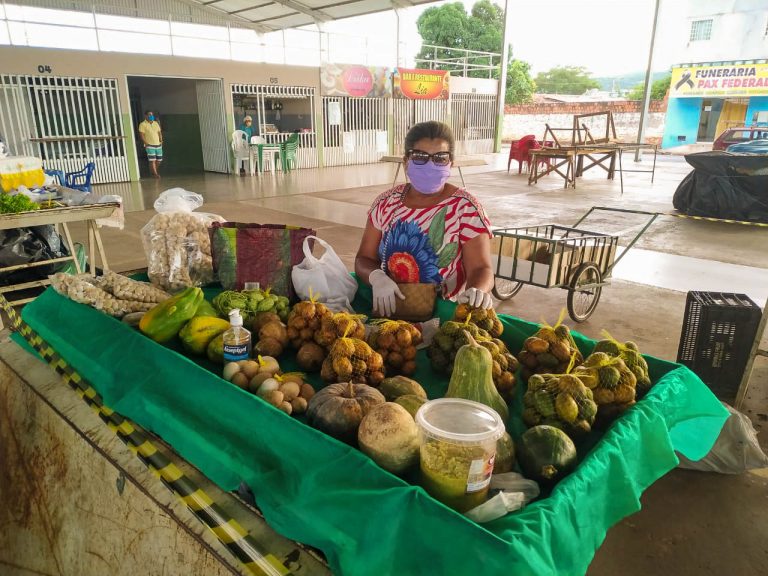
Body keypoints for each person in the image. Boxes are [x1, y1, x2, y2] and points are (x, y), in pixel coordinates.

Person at [355, 121, 494, 317]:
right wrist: (377, 277)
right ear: (406, 161)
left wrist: (477, 291)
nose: (430, 165)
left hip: (444, 314)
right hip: (390, 309)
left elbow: (481, 268)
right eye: (420, 157)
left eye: (440, 158)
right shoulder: (386, 203)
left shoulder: (465, 208)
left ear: (451, 163)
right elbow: (364, 259)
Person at [138, 110, 163, 178]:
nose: (151, 116)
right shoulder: (142, 124)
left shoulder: (156, 123)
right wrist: (146, 143)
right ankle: (155, 174)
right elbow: (142, 135)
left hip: (158, 144)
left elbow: (159, 132)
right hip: (149, 145)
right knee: (152, 160)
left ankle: (152, 171)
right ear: (145, 116)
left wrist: (161, 140)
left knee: (159, 160)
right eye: (149, 115)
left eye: (152, 115)